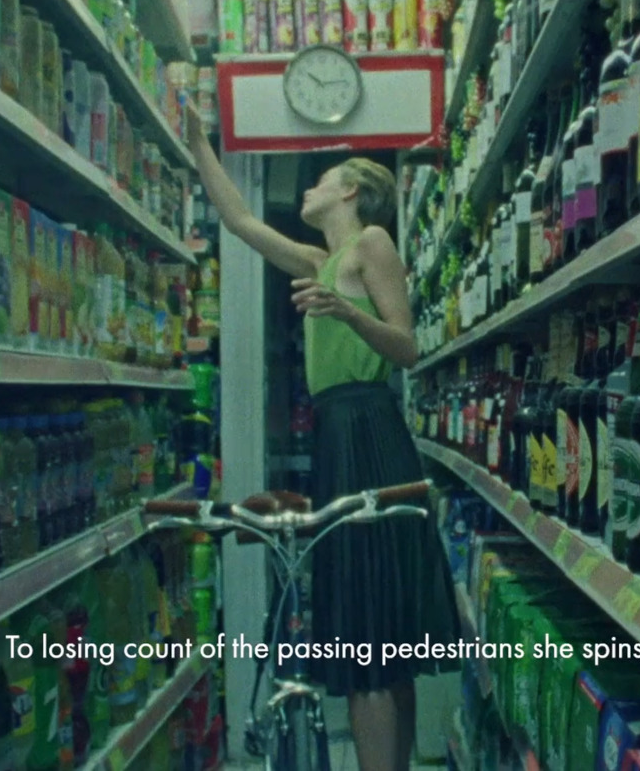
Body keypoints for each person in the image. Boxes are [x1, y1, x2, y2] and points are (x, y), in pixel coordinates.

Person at [184, 109, 459, 771]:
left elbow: (408, 346)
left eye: (321, 180)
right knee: (378, 636)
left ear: (352, 191)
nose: (307, 189)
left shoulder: (371, 245)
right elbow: (241, 223)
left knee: (373, 639)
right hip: (341, 437)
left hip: (370, 428)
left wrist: (345, 310)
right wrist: (201, 145)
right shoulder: (318, 257)